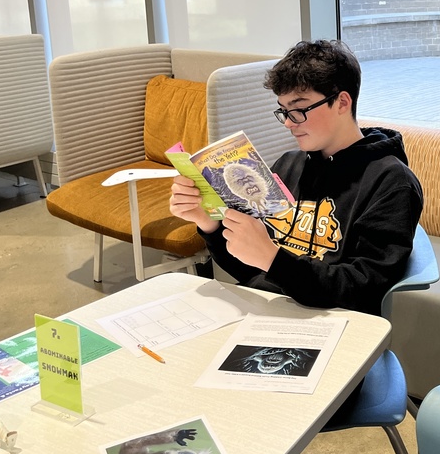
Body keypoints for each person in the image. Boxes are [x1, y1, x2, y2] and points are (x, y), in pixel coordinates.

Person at [169, 39, 423, 317]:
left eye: (299, 109)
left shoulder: (391, 181)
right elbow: (251, 269)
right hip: (269, 312)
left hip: (338, 322)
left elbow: (364, 289)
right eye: (284, 111)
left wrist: (274, 261)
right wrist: (209, 225)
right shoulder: (288, 165)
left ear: (342, 102)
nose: (289, 122)